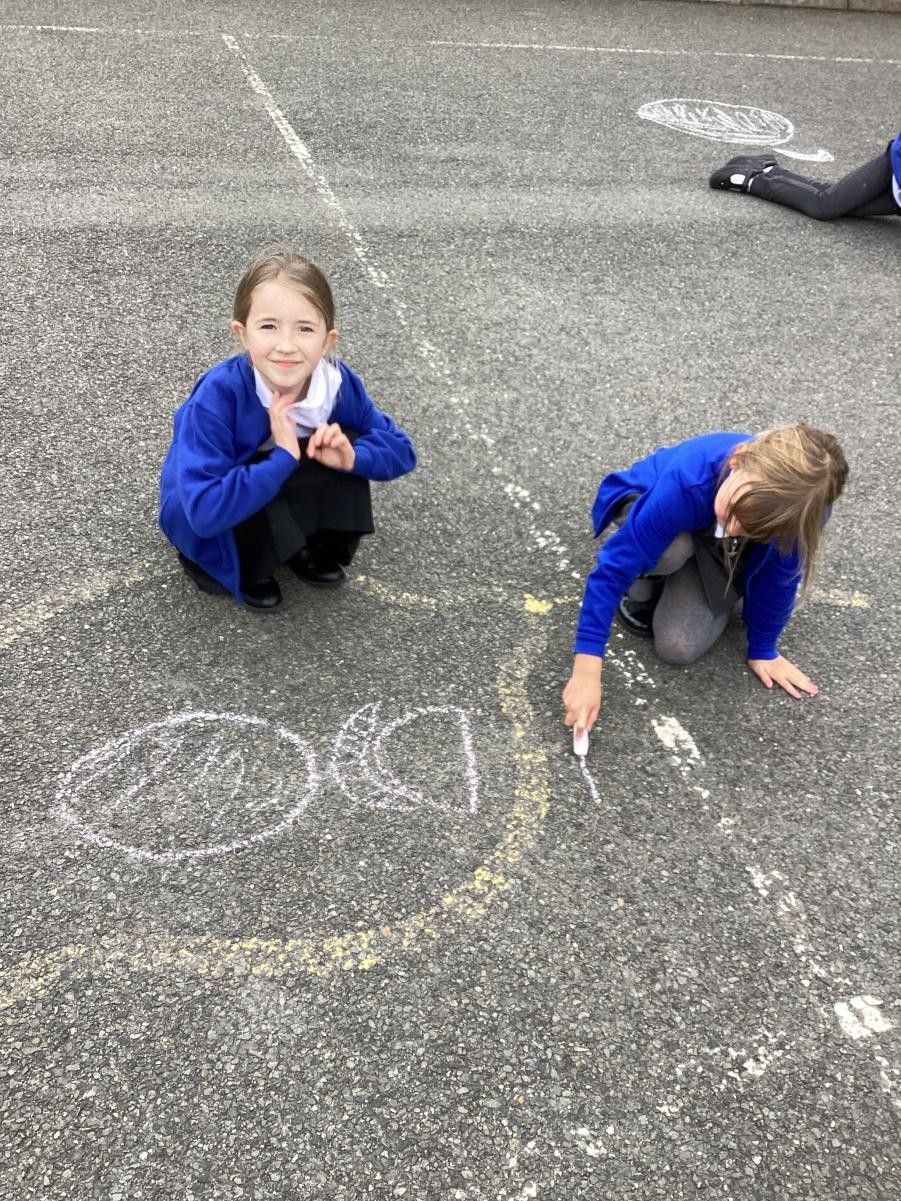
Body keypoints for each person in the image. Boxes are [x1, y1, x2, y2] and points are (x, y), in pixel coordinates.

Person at [159, 248, 416, 610]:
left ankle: (304, 545)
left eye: (305, 329)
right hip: (207, 506)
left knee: (346, 441)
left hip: (268, 483)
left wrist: (352, 458)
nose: (286, 346)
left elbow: (401, 450)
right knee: (246, 492)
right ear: (242, 334)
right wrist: (282, 457)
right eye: (269, 326)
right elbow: (202, 511)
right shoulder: (218, 397)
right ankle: (239, 564)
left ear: (327, 341)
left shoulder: (336, 384)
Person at [562, 424, 849, 736]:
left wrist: (763, 648)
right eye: (737, 511)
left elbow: (777, 580)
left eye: (751, 529)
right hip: (652, 502)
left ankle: (693, 575)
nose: (734, 527)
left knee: (678, 647)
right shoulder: (688, 481)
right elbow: (613, 568)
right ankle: (643, 583)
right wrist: (586, 671)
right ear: (737, 460)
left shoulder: (800, 512)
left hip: (714, 545)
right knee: (671, 551)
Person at [708, 132, 901, 220]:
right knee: (825, 205)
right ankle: (754, 177)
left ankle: (767, 170)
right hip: (896, 165)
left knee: (842, 203)